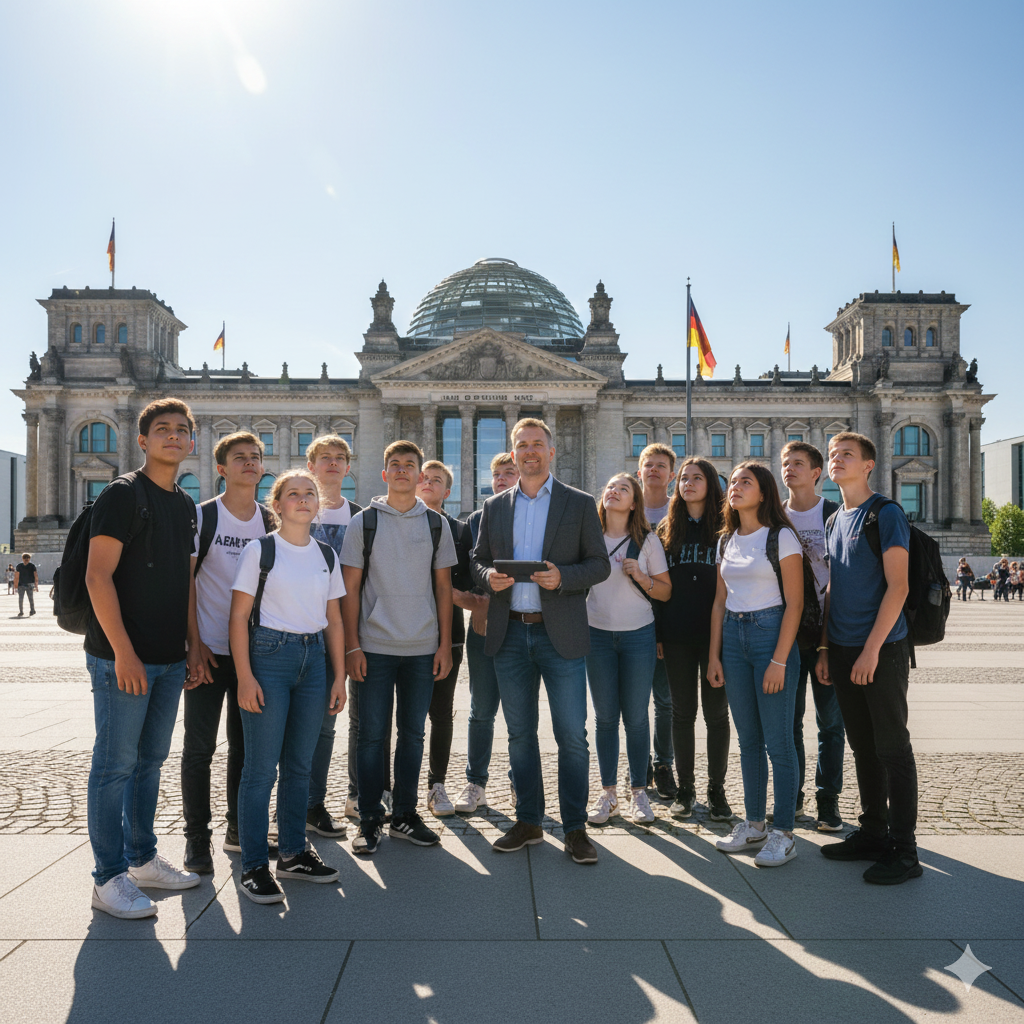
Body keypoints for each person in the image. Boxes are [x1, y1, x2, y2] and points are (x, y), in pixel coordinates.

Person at [84, 398, 207, 920]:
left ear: (191, 441)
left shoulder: (184, 503)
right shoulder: (122, 493)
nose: (173, 436)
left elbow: (185, 583)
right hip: (123, 659)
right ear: (142, 439)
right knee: (115, 766)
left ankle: (142, 859)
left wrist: (193, 645)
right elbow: (97, 576)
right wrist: (123, 653)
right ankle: (108, 877)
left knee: (150, 762)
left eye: (181, 429)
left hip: (169, 658)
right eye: (163, 429)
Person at [471, 418, 610, 865]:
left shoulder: (579, 503)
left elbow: (599, 564)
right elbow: (478, 560)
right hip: (510, 632)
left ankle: (575, 829)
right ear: (513, 454)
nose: (529, 451)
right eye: (522, 445)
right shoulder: (494, 506)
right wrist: (487, 577)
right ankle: (528, 821)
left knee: (572, 736)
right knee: (519, 735)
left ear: (551, 451)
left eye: (537, 444)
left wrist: (563, 577)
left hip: (560, 634)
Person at [229, 469, 347, 904]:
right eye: (292, 494)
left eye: (309, 493)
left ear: (318, 504)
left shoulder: (326, 554)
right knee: (261, 769)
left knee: (300, 765)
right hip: (269, 657)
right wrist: (244, 677)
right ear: (277, 506)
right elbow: (238, 617)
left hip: (314, 661)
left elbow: (334, 620)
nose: (302, 499)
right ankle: (254, 865)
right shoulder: (260, 551)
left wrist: (338, 676)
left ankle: (294, 853)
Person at [341, 440, 457, 854]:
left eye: (410, 464)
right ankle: (370, 818)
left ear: (421, 475)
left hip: (422, 648)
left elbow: (443, 589)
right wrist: (352, 647)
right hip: (374, 647)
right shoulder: (364, 522)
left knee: (413, 735)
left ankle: (406, 814)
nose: (403, 469)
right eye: (395, 464)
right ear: (385, 473)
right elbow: (349, 590)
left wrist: (445, 645)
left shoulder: (437, 525)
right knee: (371, 736)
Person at [817, 432, 920, 885]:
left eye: (847, 455)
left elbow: (899, 587)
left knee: (893, 748)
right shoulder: (834, 519)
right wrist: (826, 647)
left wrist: (872, 650)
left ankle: (905, 851)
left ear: (868, 466)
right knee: (862, 746)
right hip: (842, 651)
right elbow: (833, 590)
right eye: (832, 454)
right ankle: (873, 833)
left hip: (882, 650)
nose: (837, 460)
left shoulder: (886, 514)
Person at [181, 431, 272, 873]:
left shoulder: (270, 521)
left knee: (246, 748)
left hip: (253, 657)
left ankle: (238, 830)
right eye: (240, 457)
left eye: (255, 456)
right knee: (199, 749)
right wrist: (194, 645)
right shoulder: (203, 517)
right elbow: (185, 583)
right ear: (221, 468)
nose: (250, 462)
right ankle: (197, 838)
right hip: (209, 651)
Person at [709, 461, 804, 869]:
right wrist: (714, 655)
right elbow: (719, 602)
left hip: (771, 637)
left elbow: (795, 603)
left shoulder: (781, 536)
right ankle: (754, 824)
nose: (735, 487)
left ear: (763, 492)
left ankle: (784, 833)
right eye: (732, 482)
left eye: (745, 482)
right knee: (748, 739)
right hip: (733, 638)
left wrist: (779, 660)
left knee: (778, 742)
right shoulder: (725, 540)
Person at [585, 474, 671, 825]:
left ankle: (639, 793)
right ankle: (608, 794)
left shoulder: (647, 541)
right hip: (596, 635)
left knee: (636, 717)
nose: (614, 491)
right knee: (605, 718)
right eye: (610, 487)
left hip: (638, 635)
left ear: (634, 503)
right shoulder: (588, 538)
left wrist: (641, 577)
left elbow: (665, 591)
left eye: (623, 489)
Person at [654, 457, 732, 821]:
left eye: (696, 478)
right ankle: (685, 790)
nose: (688, 483)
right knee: (682, 713)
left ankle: (717, 790)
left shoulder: (727, 528)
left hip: (718, 635)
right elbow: (657, 589)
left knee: (716, 715)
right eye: (683, 478)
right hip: (677, 634)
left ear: (711, 484)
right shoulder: (666, 529)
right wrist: (658, 633)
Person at [780, 441, 846, 832]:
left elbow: (843, 579)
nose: (789, 468)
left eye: (798, 463)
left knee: (831, 724)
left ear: (816, 472)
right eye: (785, 463)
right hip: (788, 634)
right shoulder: (774, 518)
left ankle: (828, 800)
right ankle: (792, 795)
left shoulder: (835, 515)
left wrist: (826, 644)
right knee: (789, 724)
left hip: (829, 634)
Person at [453, 452, 520, 814]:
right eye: (496, 474)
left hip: (525, 626)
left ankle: (519, 783)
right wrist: (477, 604)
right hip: (484, 628)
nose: (501, 479)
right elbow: (464, 576)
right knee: (481, 709)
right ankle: (475, 783)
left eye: (509, 472)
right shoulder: (476, 521)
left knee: (520, 713)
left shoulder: (536, 517)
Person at [306, 434, 362, 834]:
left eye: (339, 457)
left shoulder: (361, 517)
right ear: (311, 466)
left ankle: (328, 802)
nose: (332, 463)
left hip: (349, 632)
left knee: (339, 723)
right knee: (306, 726)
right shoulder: (296, 508)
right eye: (324, 457)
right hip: (303, 630)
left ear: (348, 467)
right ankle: (299, 806)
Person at [416, 460, 476, 816]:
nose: (428, 483)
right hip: (400, 637)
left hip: (448, 637)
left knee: (441, 714)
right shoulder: (393, 523)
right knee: (404, 719)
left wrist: (443, 591)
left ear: (447, 491)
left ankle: (436, 785)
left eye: (436, 480)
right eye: (424, 478)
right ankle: (397, 789)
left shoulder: (460, 531)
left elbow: (468, 584)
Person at [636, 442, 679, 799]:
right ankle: (640, 765)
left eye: (661, 465)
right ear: (639, 472)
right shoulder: (626, 509)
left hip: (668, 615)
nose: (654, 470)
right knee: (635, 703)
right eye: (649, 464)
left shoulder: (678, 513)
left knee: (665, 701)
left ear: (671, 474)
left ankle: (664, 765)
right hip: (630, 620)